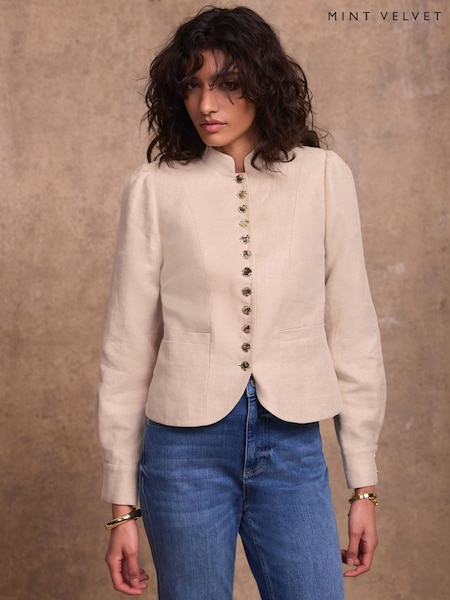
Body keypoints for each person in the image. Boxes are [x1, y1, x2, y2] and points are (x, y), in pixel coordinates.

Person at [96, 6, 386, 599]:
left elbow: (353, 333)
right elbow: (126, 351)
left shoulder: (323, 177)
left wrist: (363, 486)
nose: (207, 104)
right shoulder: (154, 189)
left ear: (262, 84)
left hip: (292, 445)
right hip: (184, 455)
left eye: (227, 84)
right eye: (193, 85)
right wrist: (122, 507)